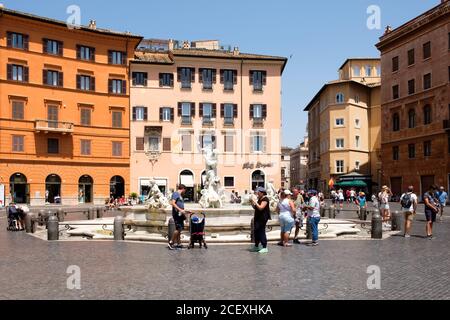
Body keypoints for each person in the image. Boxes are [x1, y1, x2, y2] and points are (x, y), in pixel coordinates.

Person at [251, 187, 271, 254]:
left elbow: (260, 208)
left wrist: (255, 202)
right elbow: (255, 207)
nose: (257, 193)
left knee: (261, 231)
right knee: (256, 231)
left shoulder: (265, 199)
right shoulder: (260, 199)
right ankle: (256, 246)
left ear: (262, 192)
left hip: (262, 218)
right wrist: (252, 202)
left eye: (258, 192)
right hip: (257, 217)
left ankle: (264, 247)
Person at [168, 184, 188, 250]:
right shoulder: (176, 194)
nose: (185, 192)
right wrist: (180, 210)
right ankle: (171, 242)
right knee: (178, 228)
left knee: (180, 229)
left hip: (180, 214)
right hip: (177, 214)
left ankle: (179, 243)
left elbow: (180, 205)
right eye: (185, 190)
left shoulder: (179, 195)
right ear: (183, 189)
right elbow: (172, 203)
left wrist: (185, 214)